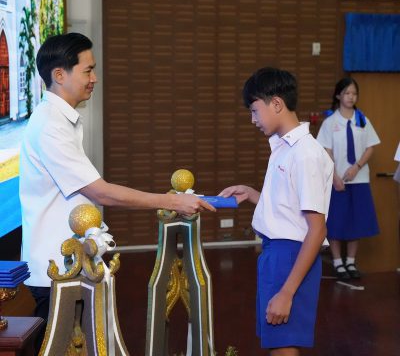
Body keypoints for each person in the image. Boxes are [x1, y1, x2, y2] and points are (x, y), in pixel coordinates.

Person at [19, 33, 215, 324]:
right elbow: (101, 192)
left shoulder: (59, 119)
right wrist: (172, 201)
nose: (94, 79)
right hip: (57, 267)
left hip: (71, 263)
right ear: (59, 75)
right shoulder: (50, 125)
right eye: (87, 71)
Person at [219, 67, 333, 356]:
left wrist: (287, 291)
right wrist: (253, 194)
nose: (253, 119)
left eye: (254, 110)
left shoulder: (305, 154)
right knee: (277, 343)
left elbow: (317, 229)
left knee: (283, 346)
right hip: (278, 253)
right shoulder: (284, 147)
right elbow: (290, 210)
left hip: (291, 256)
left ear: (277, 104)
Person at [317, 77, 380, 280]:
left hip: (359, 179)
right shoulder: (330, 122)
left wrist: (357, 167)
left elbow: (370, 147)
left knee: (356, 220)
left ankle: (351, 262)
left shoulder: (362, 119)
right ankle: (337, 262)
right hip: (338, 181)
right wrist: (335, 176)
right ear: (338, 95)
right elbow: (325, 151)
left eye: (354, 93)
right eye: (347, 93)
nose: (351, 97)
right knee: (336, 221)